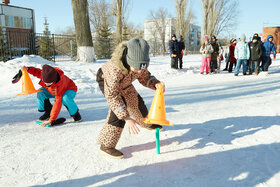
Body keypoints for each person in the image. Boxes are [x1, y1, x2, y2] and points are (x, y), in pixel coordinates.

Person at [96, 38, 164, 159]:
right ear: (128, 60)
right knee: (117, 112)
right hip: (107, 81)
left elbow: (144, 77)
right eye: (137, 68)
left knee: (136, 101)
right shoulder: (114, 69)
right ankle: (106, 146)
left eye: (142, 68)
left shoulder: (140, 66)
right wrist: (126, 118)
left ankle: (146, 123)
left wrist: (155, 84)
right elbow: (112, 95)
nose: (139, 71)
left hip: (125, 82)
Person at [12, 64, 82, 127]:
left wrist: (51, 120)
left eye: (49, 83)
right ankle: (48, 111)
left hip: (69, 89)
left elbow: (57, 102)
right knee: (41, 92)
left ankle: (75, 114)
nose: (46, 84)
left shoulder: (60, 83)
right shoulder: (45, 73)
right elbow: (36, 71)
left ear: (54, 80)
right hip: (52, 90)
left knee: (65, 98)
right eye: (45, 82)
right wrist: (27, 69)